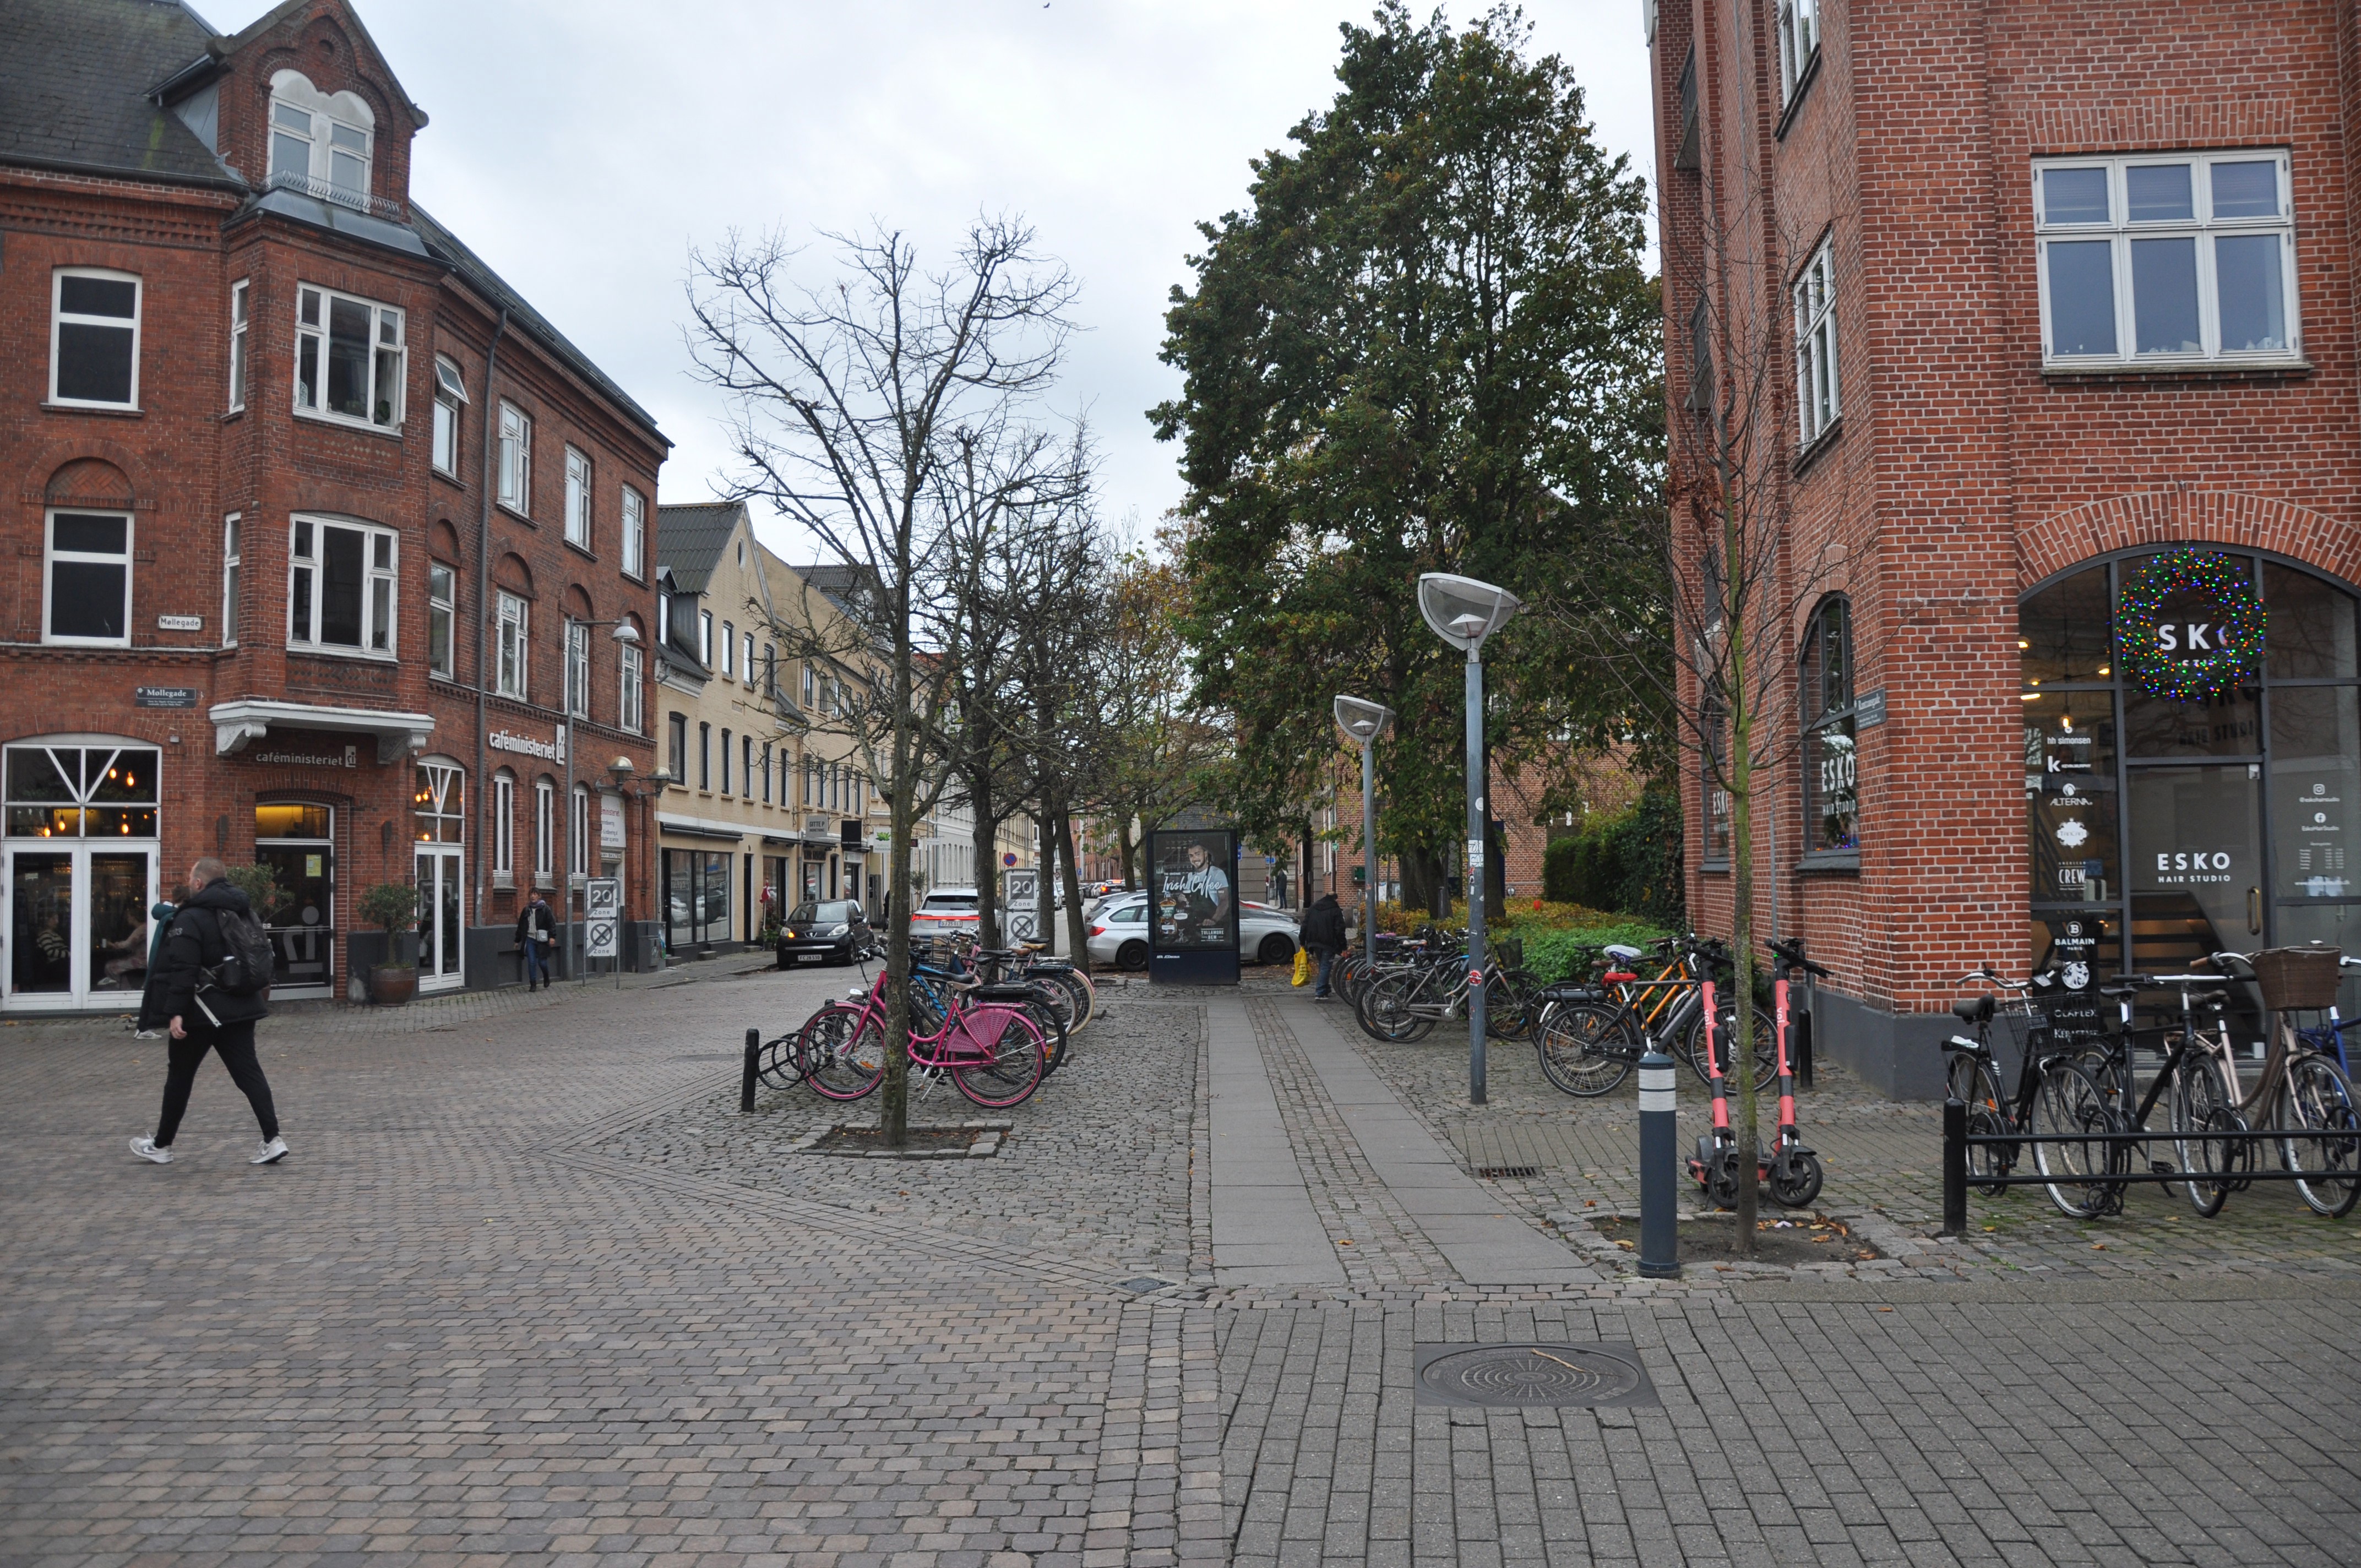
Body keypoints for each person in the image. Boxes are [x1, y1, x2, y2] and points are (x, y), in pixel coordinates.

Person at [129, 858, 284, 1166]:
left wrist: (175, 1013)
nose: (189, 882)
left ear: (199, 883)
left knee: (180, 1077)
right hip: (242, 1006)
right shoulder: (244, 911)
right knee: (249, 1074)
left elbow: (183, 969)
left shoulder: (190, 917)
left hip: (200, 1012)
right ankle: (273, 1139)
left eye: (191, 878)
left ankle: (162, 1145)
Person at [129, 886, 182, 1039]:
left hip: (158, 960)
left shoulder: (167, 915)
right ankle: (143, 1029)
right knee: (154, 996)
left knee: (152, 994)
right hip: (163, 962)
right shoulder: (173, 917)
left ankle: (144, 1027)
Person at [1301, 891, 1347, 1000]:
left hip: (1314, 941)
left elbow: (1305, 925)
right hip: (1328, 943)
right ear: (1335, 899)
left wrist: (1302, 941)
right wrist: (1343, 946)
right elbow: (1339, 930)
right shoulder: (1335, 910)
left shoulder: (1313, 907)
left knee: (1323, 965)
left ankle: (1326, 988)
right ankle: (1320, 992)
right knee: (1326, 966)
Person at [518, 888, 557, 989]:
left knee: (542, 962)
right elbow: (521, 926)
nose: (533, 896)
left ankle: (546, 976)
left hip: (542, 940)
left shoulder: (545, 909)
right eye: (531, 895)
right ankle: (533, 984)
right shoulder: (526, 910)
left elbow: (552, 923)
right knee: (531, 962)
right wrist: (517, 940)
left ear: (539, 896)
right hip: (530, 938)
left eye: (535, 894)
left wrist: (552, 937)